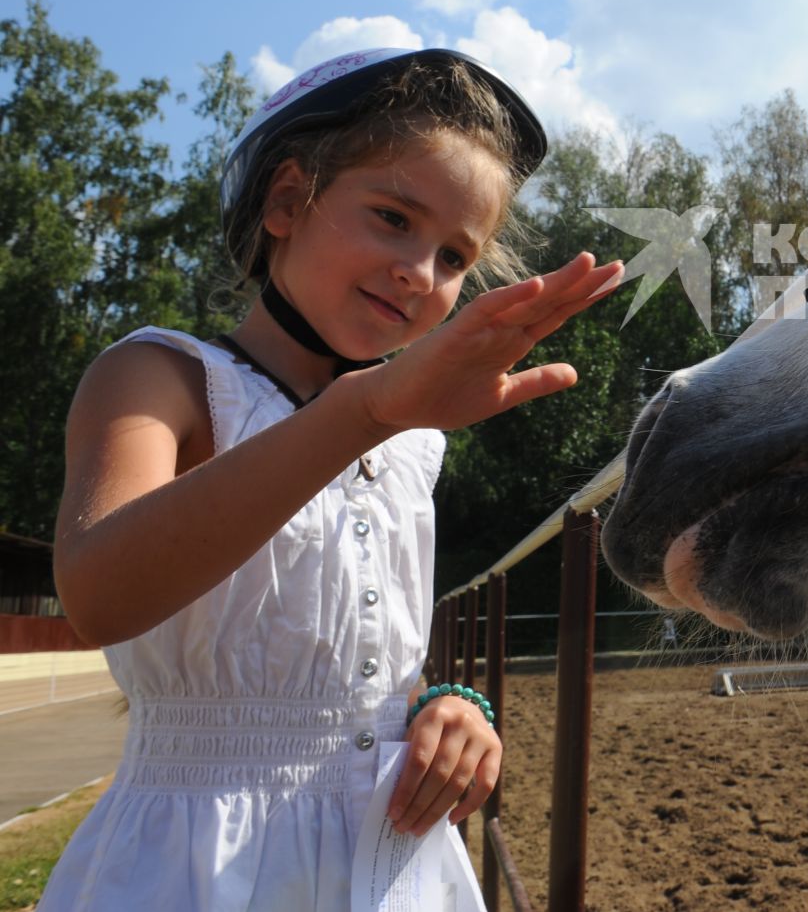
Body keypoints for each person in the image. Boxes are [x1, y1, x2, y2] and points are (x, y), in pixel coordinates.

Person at [39, 46, 624, 910]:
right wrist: (366, 411)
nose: (420, 272)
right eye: (393, 217)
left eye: (456, 257)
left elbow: (345, 664)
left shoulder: (413, 441)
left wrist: (448, 709)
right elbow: (97, 594)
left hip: (389, 866)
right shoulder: (162, 376)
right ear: (286, 200)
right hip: (193, 868)